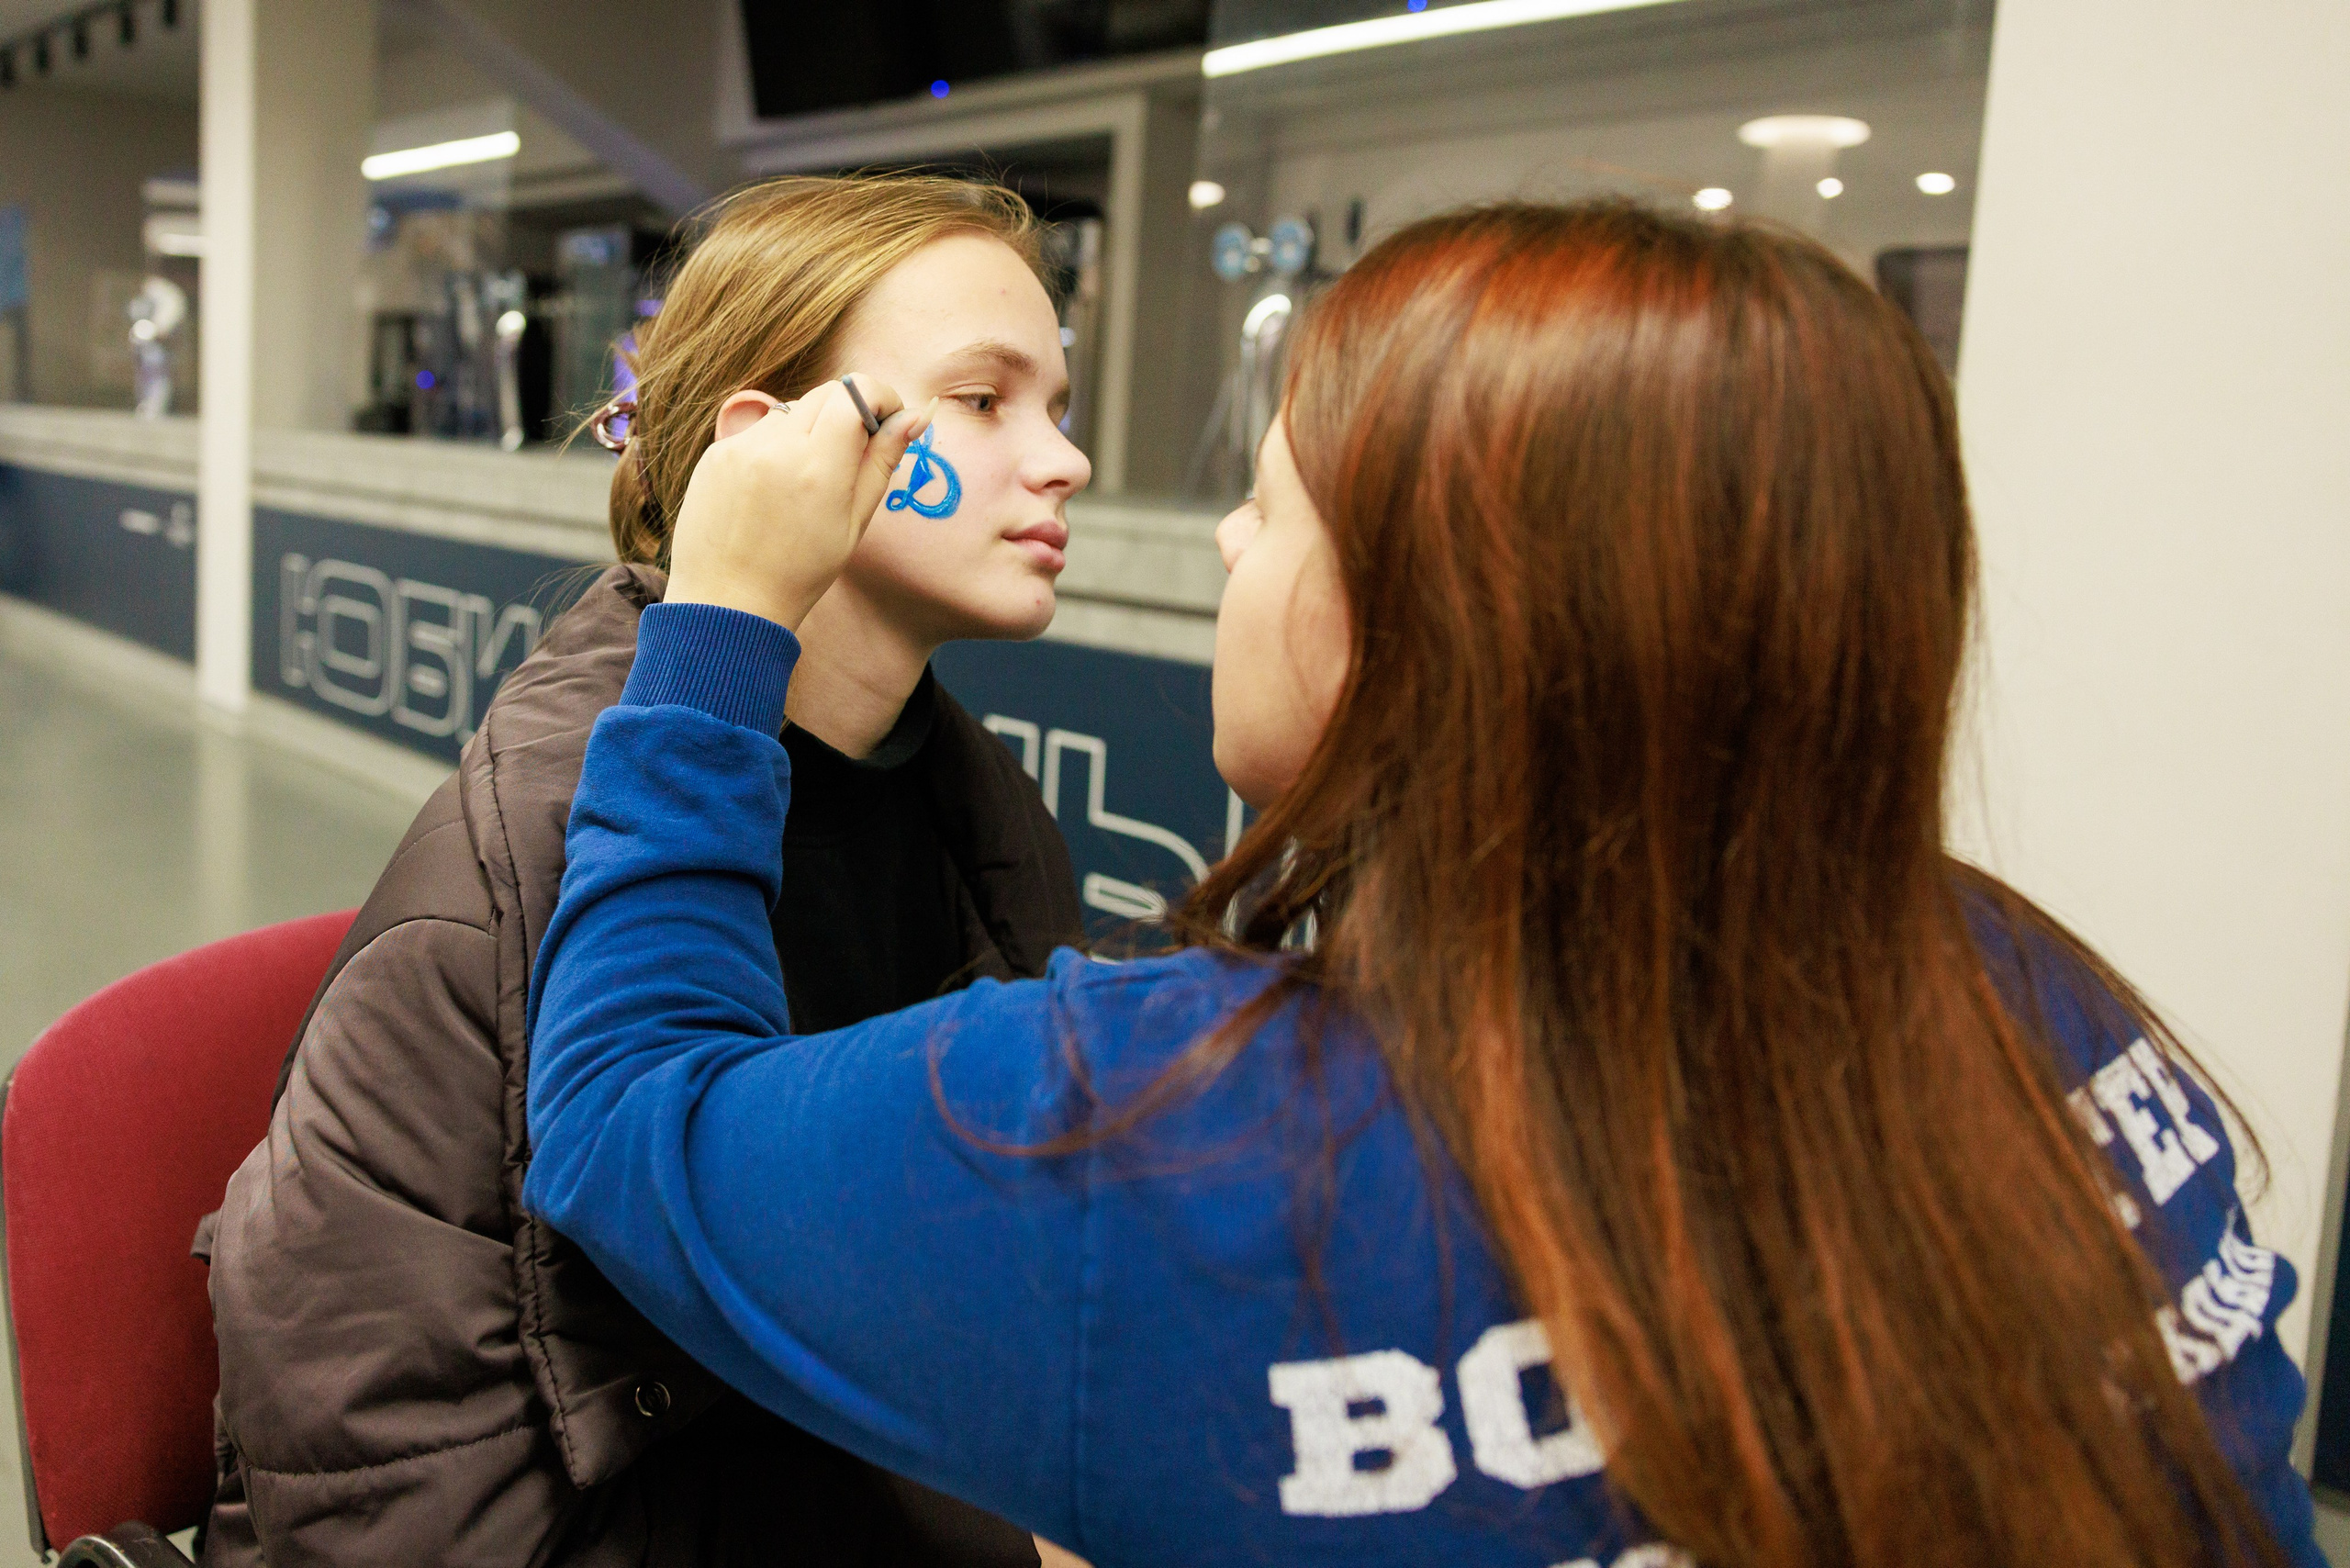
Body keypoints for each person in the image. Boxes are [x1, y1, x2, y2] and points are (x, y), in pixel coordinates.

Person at [521, 199, 2326, 1568]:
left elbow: (614, 1117)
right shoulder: (2051, 1002)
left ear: (1422, 633)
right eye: (986, 399)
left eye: (1272, 505)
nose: (1209, 533)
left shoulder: (1170, 1139)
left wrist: (717, 627)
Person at [200, 174, 1091, 1567]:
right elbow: (392, 1470)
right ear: (769, 447)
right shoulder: (540, 849)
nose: (1063, 461)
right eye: (984, 401)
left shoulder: (981, 817)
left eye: (1060, 405)